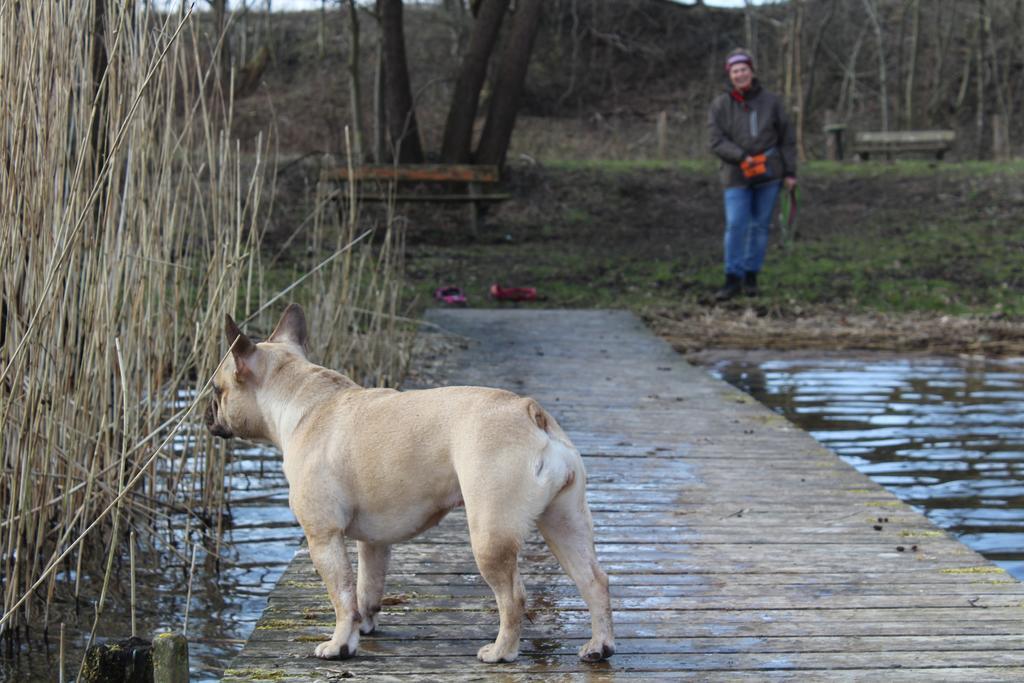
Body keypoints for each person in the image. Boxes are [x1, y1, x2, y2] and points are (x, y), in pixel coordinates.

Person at [708, 48, 797, 301]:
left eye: (743, 70)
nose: (740, 75)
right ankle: (731, 278)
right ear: (730, 74)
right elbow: (716, 141)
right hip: (735, 175)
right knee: (736, 225)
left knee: (759, 227)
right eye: (735, 71)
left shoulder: (772, 101)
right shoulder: (720, 105)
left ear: (752, 71)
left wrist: (790, 171)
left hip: (769, 174)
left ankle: (751, 276)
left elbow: (787, 138)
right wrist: (741, 157)